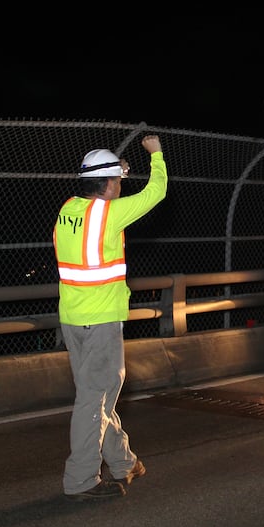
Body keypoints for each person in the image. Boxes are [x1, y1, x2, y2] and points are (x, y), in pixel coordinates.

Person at [53, 135, 168, 501]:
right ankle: (82, 480)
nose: (121, 187)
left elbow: (104, 195)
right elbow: (157, 192)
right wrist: (156, 156)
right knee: (94, 400)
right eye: (118, 181)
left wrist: (117, 173)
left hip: (72, 318)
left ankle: (124, 462)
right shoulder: (110, 213)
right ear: (108, 184)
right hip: (101, 320)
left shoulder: (69, 208)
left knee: (96, 395)